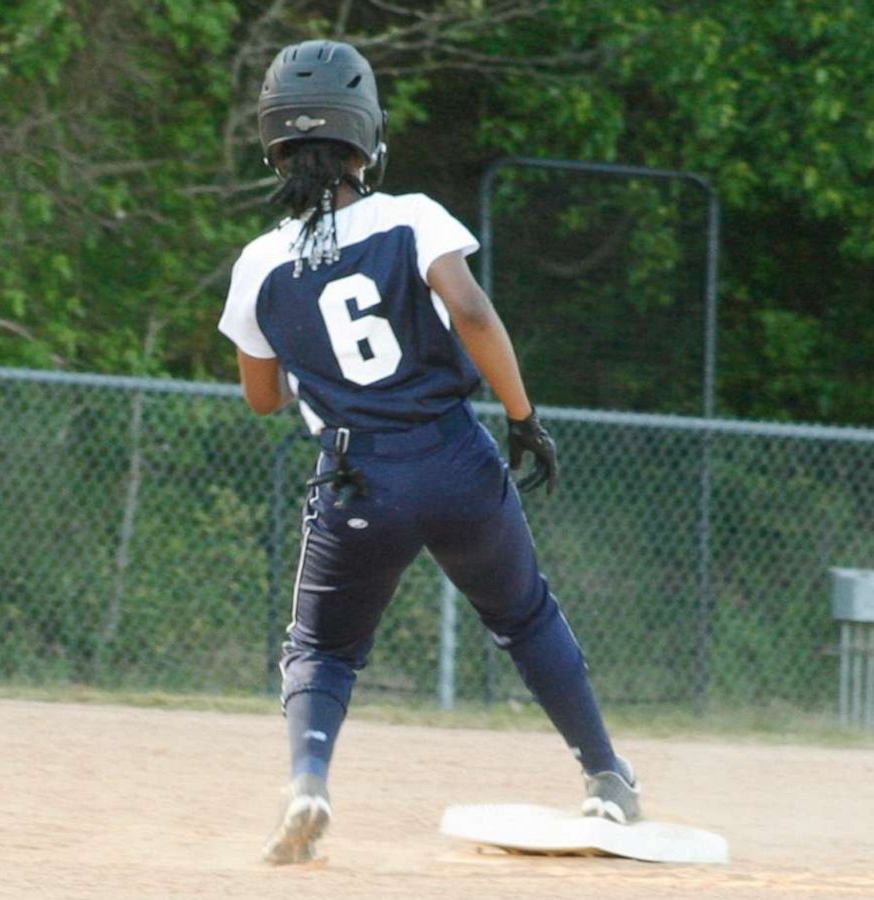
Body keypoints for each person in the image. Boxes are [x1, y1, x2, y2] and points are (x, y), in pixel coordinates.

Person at [218, 39, 640, 866]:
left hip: (357, 479)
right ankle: (607, 778)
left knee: (323, 651)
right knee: (524, 618)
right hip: (454, 459)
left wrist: (317, 372)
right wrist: (523, 417)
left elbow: (262, 397)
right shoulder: (411, 216)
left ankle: (308, 782)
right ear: (365, 140)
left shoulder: (259, 263)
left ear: (273, 144)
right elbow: (473, 314)